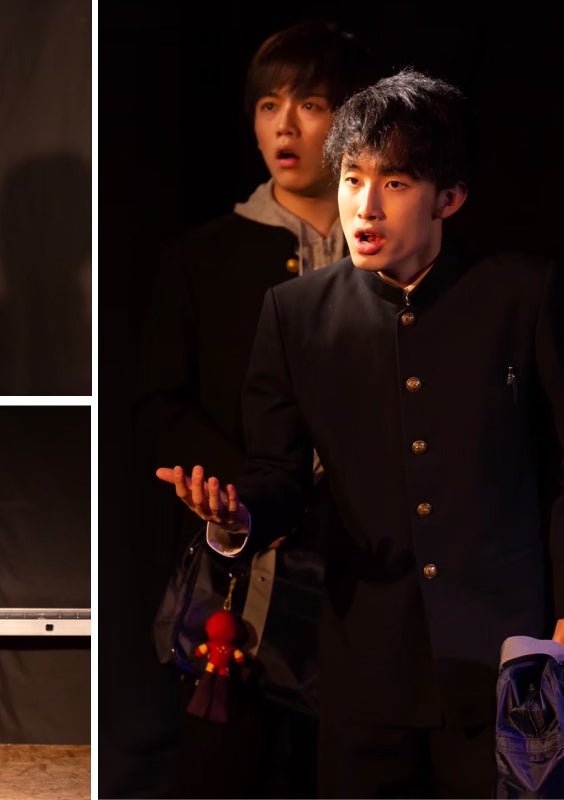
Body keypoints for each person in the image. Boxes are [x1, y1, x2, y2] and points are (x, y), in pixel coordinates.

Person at [156, 69, 564, 798]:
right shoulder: (294, 314)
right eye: (352, 179)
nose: (364, 206)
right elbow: (278, 474)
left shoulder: (519, 295)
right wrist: (236, 519)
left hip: (505, 654)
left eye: (395, 184)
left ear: (449, 198)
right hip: (366, 664)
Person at [135, 21, 382, 798]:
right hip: (244, 563)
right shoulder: (201, 258)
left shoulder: (394, 255)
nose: (285, 126)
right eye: (269, 105)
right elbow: (159, 404)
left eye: (311, 104)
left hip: (371, 570)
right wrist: (247, 491)